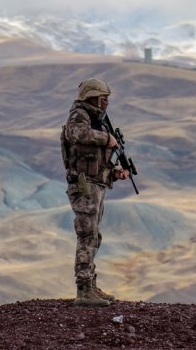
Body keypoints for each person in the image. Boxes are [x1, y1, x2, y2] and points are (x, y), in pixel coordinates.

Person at [60, 78, 131, 307]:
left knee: (94, 236)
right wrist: (107, 139)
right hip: (84, 185)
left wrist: (114, 173)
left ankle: (90, 284)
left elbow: (93, 161)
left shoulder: (94, 118)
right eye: (103, 98)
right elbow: (76, 135)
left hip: (93, 184)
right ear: (91, 97)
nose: (106, 103)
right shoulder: (79, 115)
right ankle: (83, 289)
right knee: (86, 235)